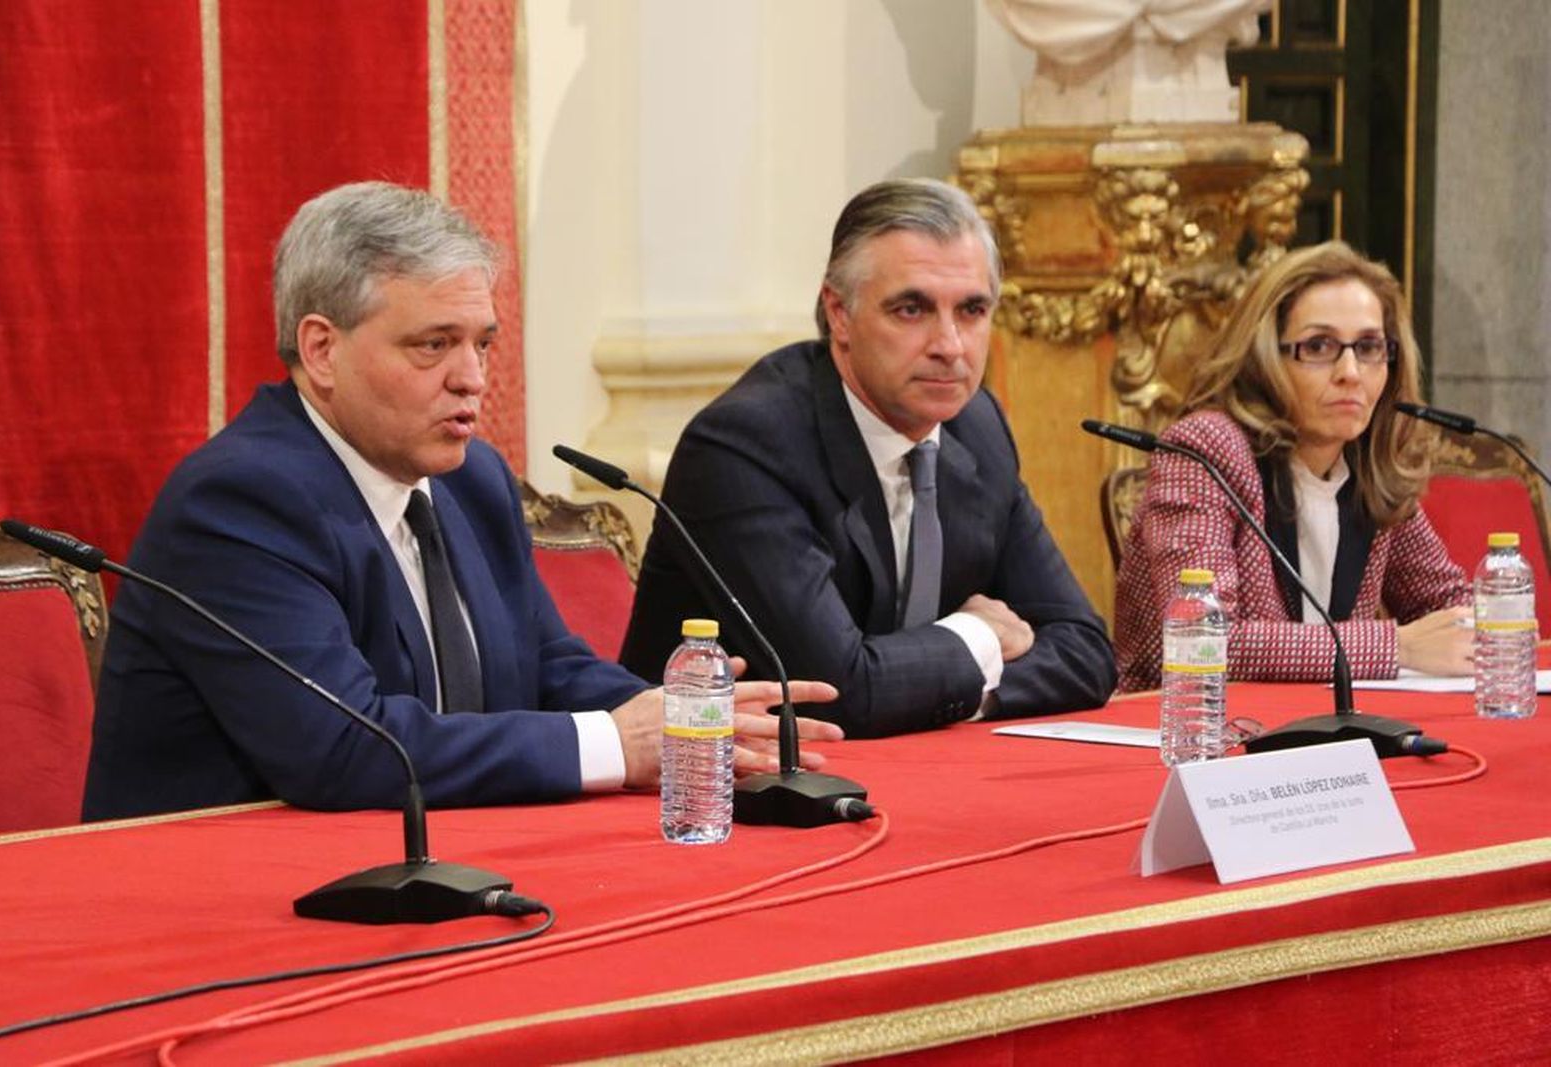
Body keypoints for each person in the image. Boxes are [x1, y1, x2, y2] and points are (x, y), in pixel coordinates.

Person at [84, 181, 840, 821]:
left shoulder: (470, 479)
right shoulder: (241, 504)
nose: (473, 377)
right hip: (216, 906)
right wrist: (617, 743)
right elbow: (347, 748)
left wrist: (698, 719)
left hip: (433, 868)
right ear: (321, 351)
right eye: (433, 345)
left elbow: (548, 667)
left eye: (483, 342)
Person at [620, 178, 1117, 737]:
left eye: (973, 310)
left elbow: (1087, 652)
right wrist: (980, 637)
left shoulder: (975, 428)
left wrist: (954, 689)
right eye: (912, 309)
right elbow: (838, 690)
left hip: (905, 768)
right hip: (722, 790)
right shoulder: (746, 445)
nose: (950, 345)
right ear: (839, 313)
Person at [1114, 240, 1472, 691]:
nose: (1350, 372)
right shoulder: (1206, 451)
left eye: (1368, 347)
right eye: (1319, 346)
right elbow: (1208, 642)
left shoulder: (1369, 465)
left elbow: (1446, 604)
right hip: (1191, 736)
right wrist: (1397, 647)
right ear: (1267, 356)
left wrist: (1474, 628)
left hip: (1326, 736)